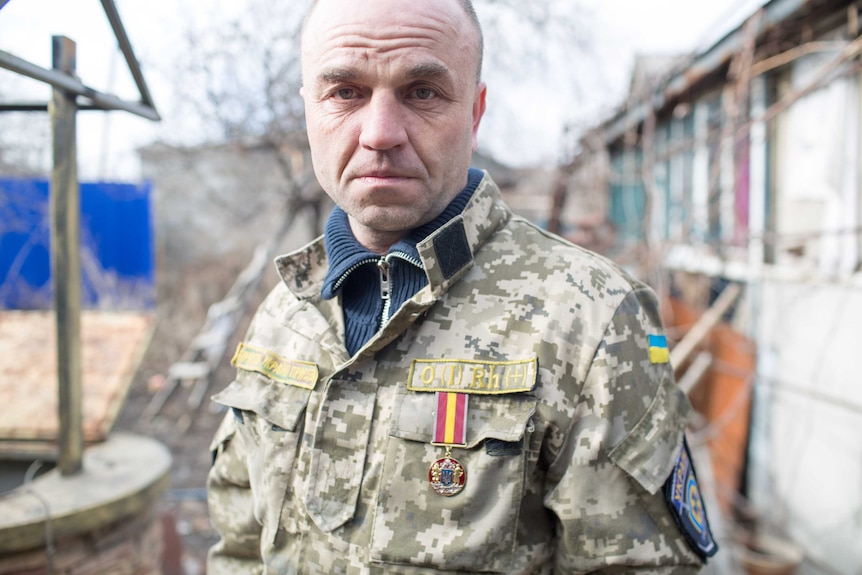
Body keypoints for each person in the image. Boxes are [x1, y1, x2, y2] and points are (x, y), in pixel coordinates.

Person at [206, 0, 718, 572]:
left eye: (422, 92)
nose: (379, 133)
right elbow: (239, 543)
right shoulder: (285, 310)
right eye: (345, 91)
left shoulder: (591, 318)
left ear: (474, 114)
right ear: (309, 111)